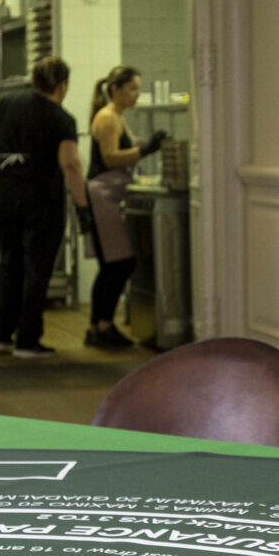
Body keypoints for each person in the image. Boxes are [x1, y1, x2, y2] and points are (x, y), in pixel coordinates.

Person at [0, 56, 87, 359]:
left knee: (9, 263)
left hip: (4, 195)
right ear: (62, 86)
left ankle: (1, 335)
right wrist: (83, 205)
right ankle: (27, 340)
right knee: (37, 268)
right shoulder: (62, 118)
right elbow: (70, 164)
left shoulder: (8, 103)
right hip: (41, 200)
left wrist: (6, 144)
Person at [81, 66, 171, 349]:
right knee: (120, 263)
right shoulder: (108, 117)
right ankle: (103, 326)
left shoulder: (117, 116)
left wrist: (143, 148)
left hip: (108, 193)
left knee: (112, 264)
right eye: (132, 88)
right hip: (103, 194)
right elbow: (110, 157)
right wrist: (144, 150)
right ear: (116, 89)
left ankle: (98, 326)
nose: (137, 94)